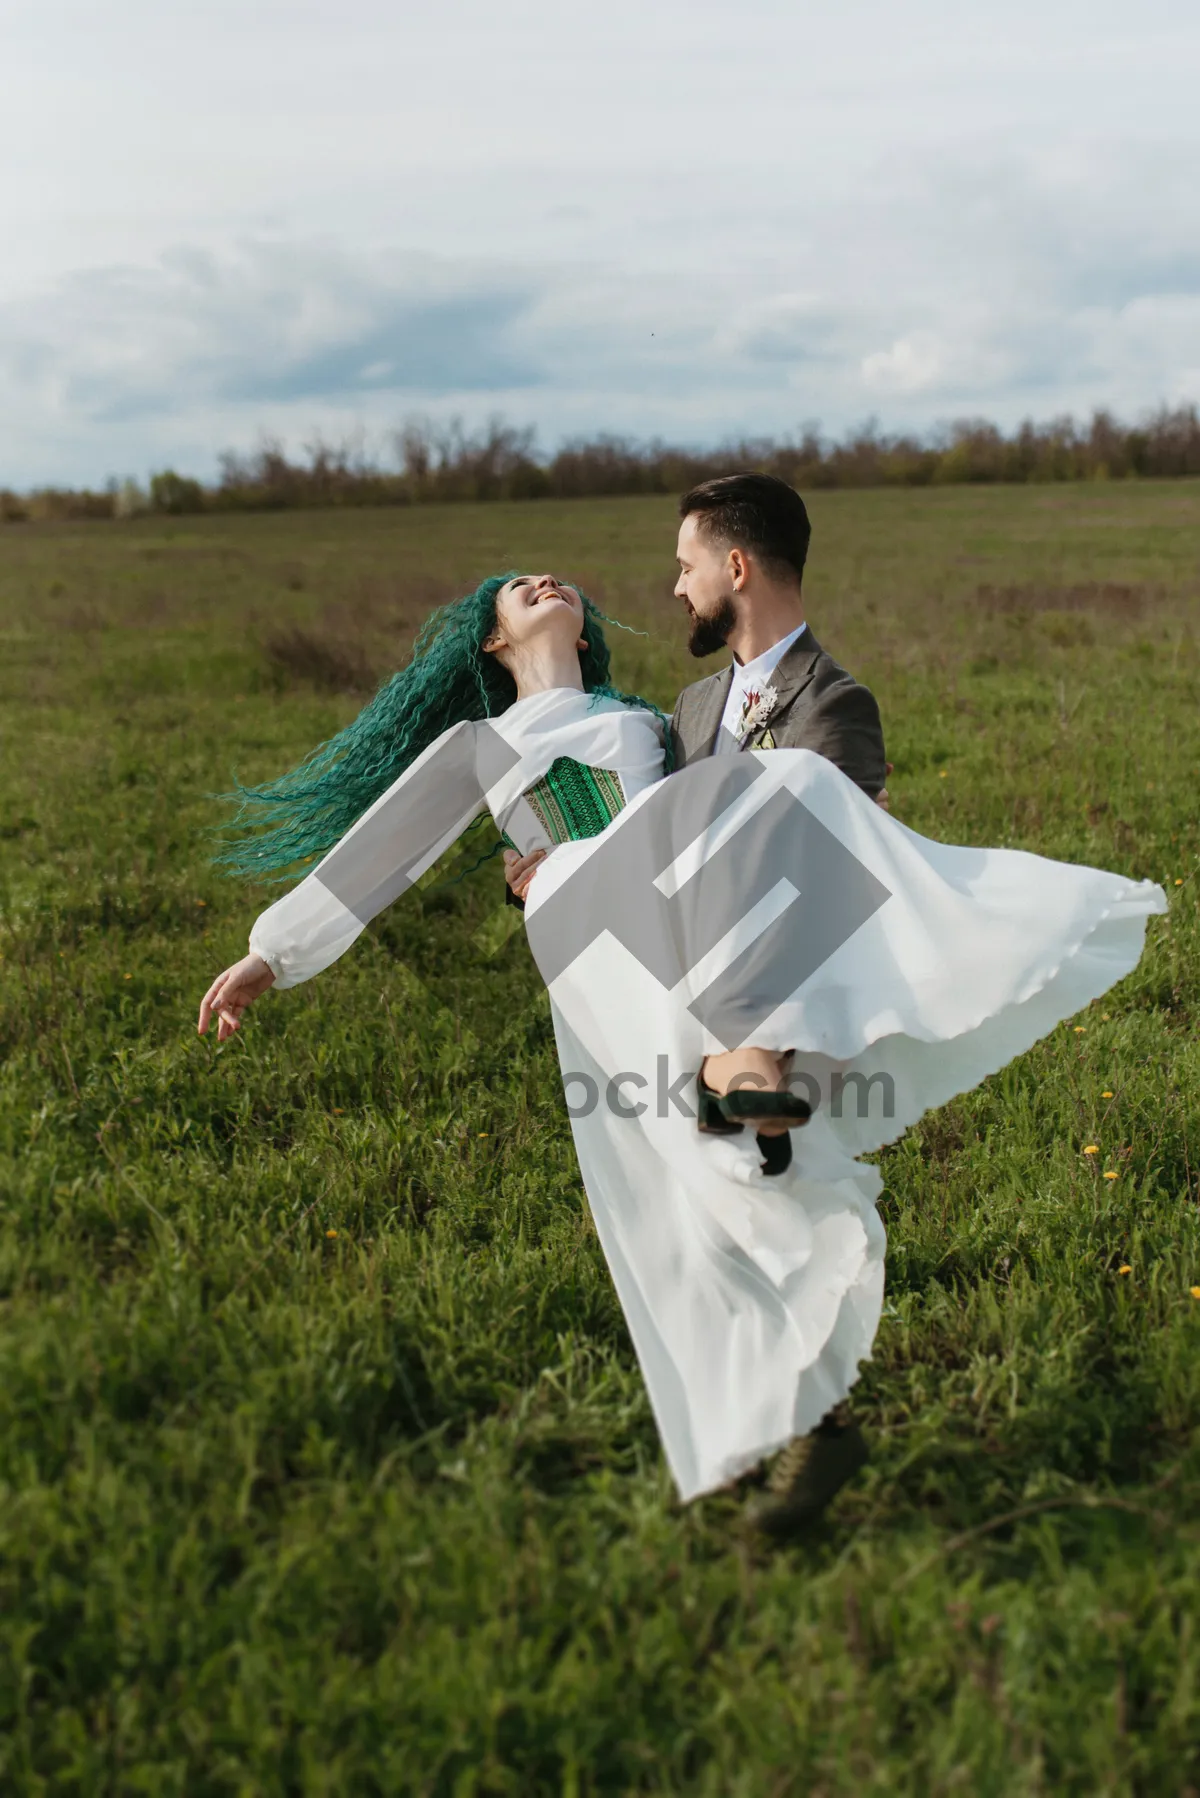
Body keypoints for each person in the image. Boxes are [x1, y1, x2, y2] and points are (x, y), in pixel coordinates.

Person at [198, 559, 1167, 1539]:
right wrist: (267, 956)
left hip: (686, 919)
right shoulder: (481, 744)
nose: (544, 578)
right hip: (591, 940)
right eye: (518, 587)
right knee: (689, 1177)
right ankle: (799, 1410)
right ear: (492, 641)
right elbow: (381, 849)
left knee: (736, 1145)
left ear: (583, 631)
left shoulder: (644, 725)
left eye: (555, 580)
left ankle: (808, 1404)